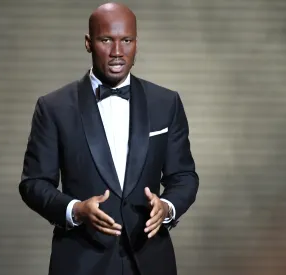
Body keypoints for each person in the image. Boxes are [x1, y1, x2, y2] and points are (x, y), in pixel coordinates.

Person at [18, 2, 199, 275]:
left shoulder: (166, 102)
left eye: (126, 40)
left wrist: (167, 207)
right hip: (80, 263)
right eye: (106, 40)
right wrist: (76, 209)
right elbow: (33, 183)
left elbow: (184, 176)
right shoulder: (53, 107)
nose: (117, 52)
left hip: (151, 262)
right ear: (89, 43)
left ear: (137, 43)